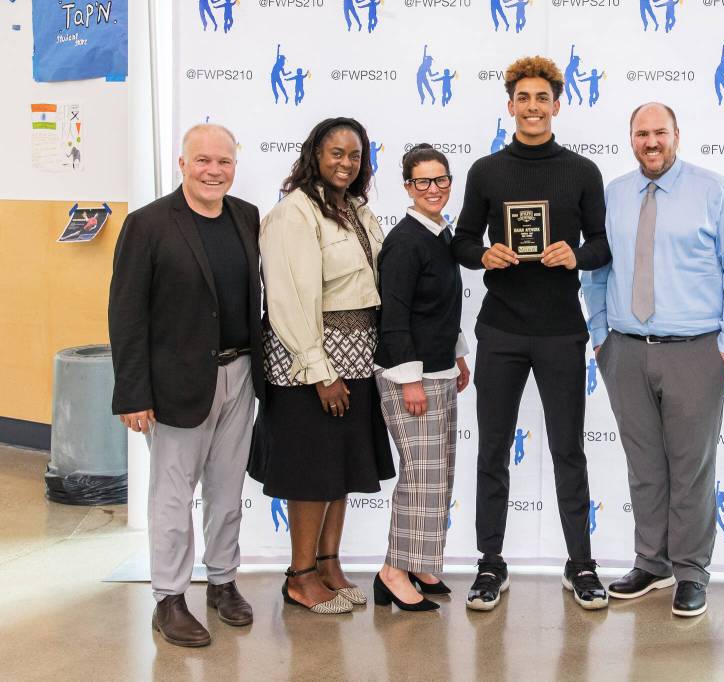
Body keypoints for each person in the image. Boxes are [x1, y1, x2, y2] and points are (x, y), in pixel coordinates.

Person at [582, 102, 724, 618]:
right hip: (626, 350)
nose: (651, 142)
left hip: (696, 352)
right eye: (641, 133)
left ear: (677, 134)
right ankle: (651, 564)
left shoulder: (715, 192)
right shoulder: (612, 195)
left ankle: (691, 571)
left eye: (660, 132)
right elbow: (596, 270)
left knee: (691, 466)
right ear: (630, 138)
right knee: (644, 466)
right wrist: (600, 337)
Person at [452, 55, 612, 611]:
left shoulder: (583, 172)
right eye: (523, 98)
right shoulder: (486, 172)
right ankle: (490, 564)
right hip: (501, 330)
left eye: (542, 98)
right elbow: (461, 240)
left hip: (561, 331)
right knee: (492, 450)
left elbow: (603, 243)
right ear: (510, 105)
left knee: (570, 450)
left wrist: (577, 254)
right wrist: (483, 253)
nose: (533, 107)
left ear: (557, 105)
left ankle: (581, 565)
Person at [109, 124, 264, 647]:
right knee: (173, 498)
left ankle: (222, 583)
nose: (213, 170)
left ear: (235, 166)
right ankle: (169, 599)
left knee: (226, 491)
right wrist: (133, 393)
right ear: (182, 164)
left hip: (240, 374)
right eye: (202, 161)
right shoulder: (147, 225)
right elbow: (126, 315)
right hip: (175, 383)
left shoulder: (246, 216)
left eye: (223, 161)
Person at [256, 117, 395, 615]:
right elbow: (290, 300)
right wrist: (320, 370)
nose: (345, 162)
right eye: (336, 152)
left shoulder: (355, 209)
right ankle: (300, 575)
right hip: (310, 366)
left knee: (339, 469)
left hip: (357, 359)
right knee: (312, 472)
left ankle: (329, 565)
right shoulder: (293, 213)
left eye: (355, 155)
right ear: (315, 153)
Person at [372, 144, 471, 612]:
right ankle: (393, 569)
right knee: (420, 475)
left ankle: (420, 562)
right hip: (409, 377)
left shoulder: (441, 234)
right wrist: (410, 378)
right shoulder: (405, 241)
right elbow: (395, 315)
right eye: (423, 182)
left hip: (440, 369)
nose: (434, 189)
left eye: (441, 180)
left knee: (438, 475)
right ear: (408, 187)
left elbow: (443, 308)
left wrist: (458, 354)